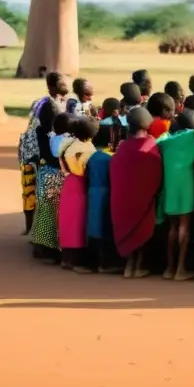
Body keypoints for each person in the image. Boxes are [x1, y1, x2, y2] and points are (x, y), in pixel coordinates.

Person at [110, 106, 164, 279]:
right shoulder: (151, 144)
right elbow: (157, 173)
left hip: (122, 199)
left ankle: (129, 265)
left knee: (128, 228)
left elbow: (115, 171)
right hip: (144, 198)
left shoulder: (123, 147)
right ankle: (138, 266)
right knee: (142, 229)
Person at [18, 72, 69, 233]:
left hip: (47, 150)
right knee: (31, 189)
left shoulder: (65, 103)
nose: (66, 85)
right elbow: (40, 128)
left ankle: (39, 231)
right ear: (51, 87)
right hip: (35, 151)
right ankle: (30, 227)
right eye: (62, 82)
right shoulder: (45, 104)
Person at [158, 111, 194, 281]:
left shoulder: (165, 140)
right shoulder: (192, 136)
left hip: (170, 186)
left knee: (172, 227)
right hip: (187, 186)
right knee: (184, 226)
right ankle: (181, 268)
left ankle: (170, 267)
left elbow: (157, 142)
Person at [58, 117, 97, 272]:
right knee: (79, 222)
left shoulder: (67, 143)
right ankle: (77, 262)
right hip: (81, 184)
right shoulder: (87, 148)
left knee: (67, 221)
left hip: (68, 182)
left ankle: (66, 259)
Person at [29, 99, 64, 261]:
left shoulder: (38, 131)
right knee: (55, 212)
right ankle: (52, 248)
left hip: (43, 173)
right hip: (56, 173)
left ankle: (40, 246)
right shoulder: (58, 134)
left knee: (44, 210)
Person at [86, 113, 120, 274]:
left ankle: (93, 263)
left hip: (92, 193)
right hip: (106, 194)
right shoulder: (110, 158)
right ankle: (106, 264)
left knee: (93, 228)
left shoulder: (92, 156)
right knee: (105, 228)